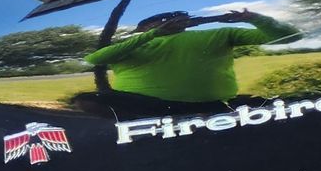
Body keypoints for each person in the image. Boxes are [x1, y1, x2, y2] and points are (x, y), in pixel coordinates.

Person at [87, 9, 299, 110]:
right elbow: (95, 59)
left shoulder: (219, 34)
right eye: (158, 21)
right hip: (141, 112)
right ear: (142, 28)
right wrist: (152, 35)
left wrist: (256, 18)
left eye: (173, 20)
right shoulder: (134, 44)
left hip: (214, 108)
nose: (166, 23)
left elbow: (290, 36)